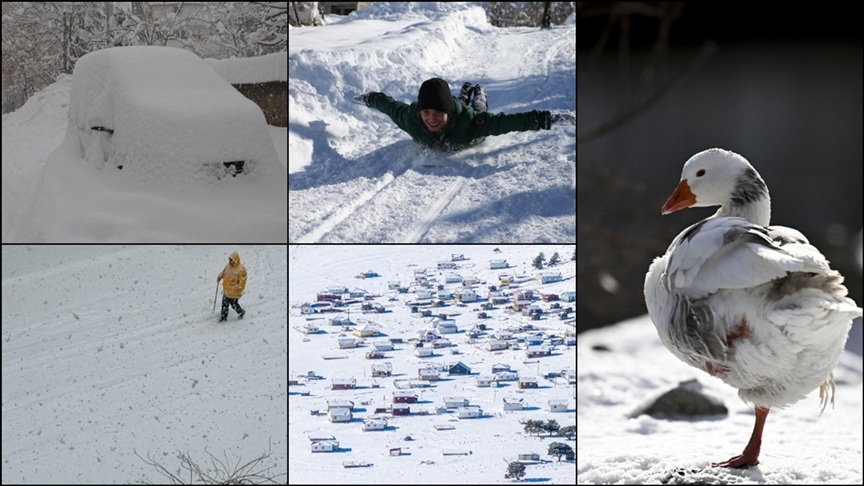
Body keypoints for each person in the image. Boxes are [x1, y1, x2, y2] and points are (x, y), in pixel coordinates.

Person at [352, 77, 575, 152]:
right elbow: (387, 104)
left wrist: (550, 118)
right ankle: (463, 92)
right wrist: (369, 98)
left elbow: (511, 122)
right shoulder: (411, 118)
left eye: (437, 113)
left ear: (445, 111)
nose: (431, 118)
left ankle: (478, 91)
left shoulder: (473, 124)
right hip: (454, 111)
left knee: (477, 106)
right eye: (426, 112)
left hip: (469, 116)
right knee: (456, 105)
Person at [217, 251, 247, 322]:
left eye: (231, 260)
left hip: (234, 292)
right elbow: (223, 272)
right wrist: (219, 276)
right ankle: (223, 317)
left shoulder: (242, 270)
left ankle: (241, 312)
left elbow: (242, 284)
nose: (230, 261)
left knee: (233, 304)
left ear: (235, 260)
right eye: (229, 260)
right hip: (227, 290)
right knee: (224, 304)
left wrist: (235, 288)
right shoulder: (228, 266)